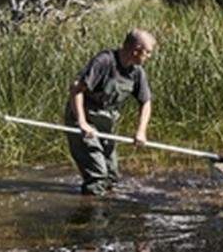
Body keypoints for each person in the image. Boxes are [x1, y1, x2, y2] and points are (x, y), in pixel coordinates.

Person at [64, 28, 155, 195]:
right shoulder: (104, 61)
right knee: (98, 177)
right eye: (147, 52)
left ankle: (107, 211)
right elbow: (76, 89)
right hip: (84, 120)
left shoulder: (137, 72)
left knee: (111, 176)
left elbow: (146, 102)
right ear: (136, 50)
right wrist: (82, 123)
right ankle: (91, 215)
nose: (149, 57)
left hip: (105, 122)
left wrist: (141, 132)